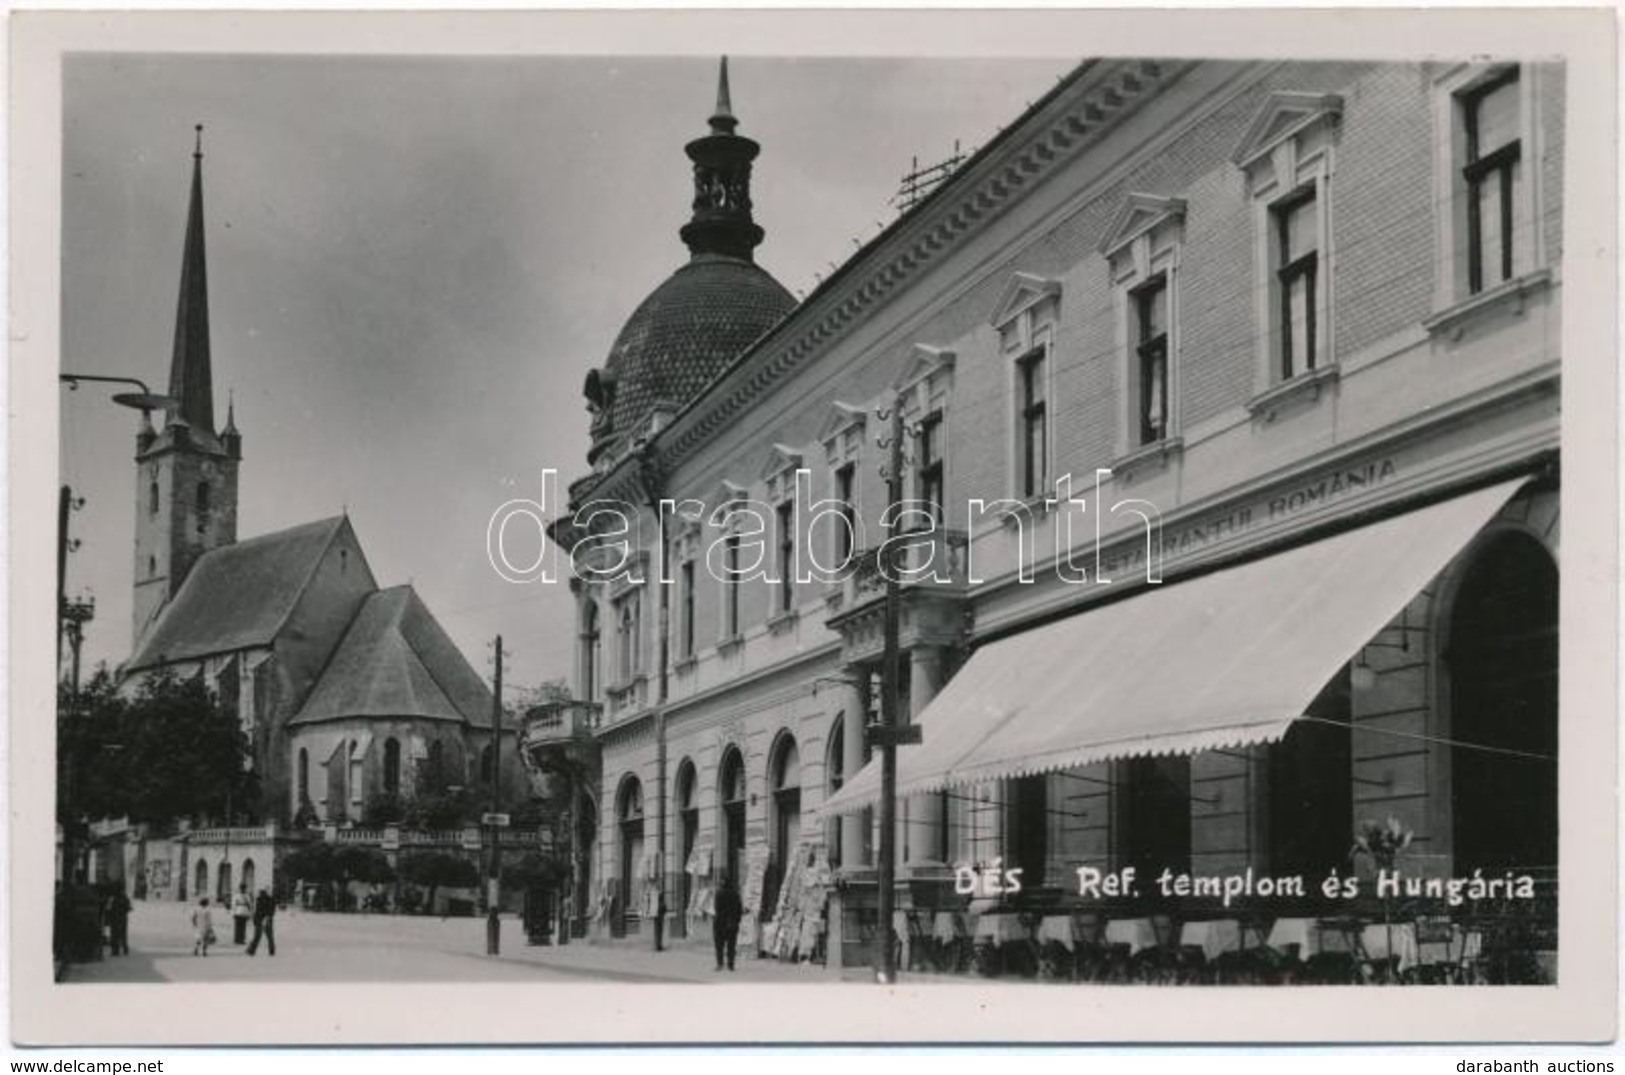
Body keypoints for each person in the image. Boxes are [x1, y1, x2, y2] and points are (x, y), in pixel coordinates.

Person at [712, 874, 743, 972]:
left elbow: (716, 908)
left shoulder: (719, 893)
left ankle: (720, 964)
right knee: (731, 946)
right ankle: (731, 965)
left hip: (720, 923)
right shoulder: (735, 894)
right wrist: (737, 921)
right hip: (732, 923)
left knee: (719, 946)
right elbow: (739, 909)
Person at [247, 887, 276, 957]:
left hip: (260, 919)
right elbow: (272, 910)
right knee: (269, 936)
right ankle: (271, 951)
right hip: (267, 919)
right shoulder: (271, 900)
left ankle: (252, 950)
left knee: (257, 936)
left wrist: (255, 920)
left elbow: (257, 911)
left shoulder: (259, 899)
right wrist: (269, 916)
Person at [104, 885, 132, 956]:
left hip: (115, 918)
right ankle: (125, 949)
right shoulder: (125, 897)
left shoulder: (112, 898)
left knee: (114, 934)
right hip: (123, 918)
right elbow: (129, 908)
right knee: (123, 934)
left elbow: (108, 908)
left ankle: (115, 951)